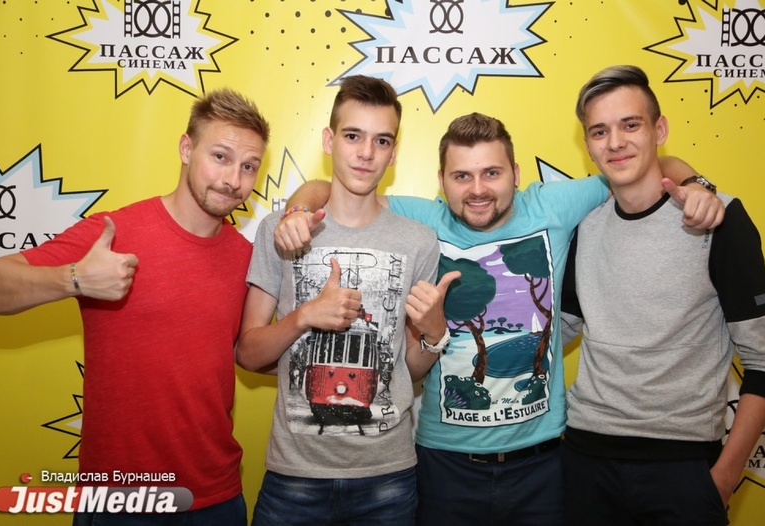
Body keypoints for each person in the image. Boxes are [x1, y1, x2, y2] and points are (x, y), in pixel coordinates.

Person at [275, 110, 724, 524]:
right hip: (444, 465)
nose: (477, 190)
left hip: (542, 467)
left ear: (516, 174)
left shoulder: (552, 206)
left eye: (492, 173)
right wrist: (296, 211)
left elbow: (647, 165)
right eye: (462, 176)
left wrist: (697, 184)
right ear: (441, 181)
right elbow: (328, 190)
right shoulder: (422, 219)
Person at [0, 88, 270, 525]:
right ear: (186, 149)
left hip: (216, 496)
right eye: (220, 157)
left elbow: (253, 352)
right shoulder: (115, 232)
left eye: (249, 166)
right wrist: (74, 278)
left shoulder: (245, 257)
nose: (233, 179)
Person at [560, 65, 765, 525]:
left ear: (659, 131)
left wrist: (723, 479)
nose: (615, 142)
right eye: (600, 131)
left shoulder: (719, 219)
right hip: (584, 460)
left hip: (684, 469)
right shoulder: (585, 226)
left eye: (630, 125)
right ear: (588, 145)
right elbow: (562, 326)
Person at [235, 75, 452, 525]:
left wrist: (434, 335)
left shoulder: (419, 242)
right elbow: (248, 354)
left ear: (393, 153)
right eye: (353, 136)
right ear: (329, 141)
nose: (366, 152)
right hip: (294, 475)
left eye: (381, 140)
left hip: (388, 476)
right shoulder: (282, 230)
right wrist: (304, 316)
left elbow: (406, 371)